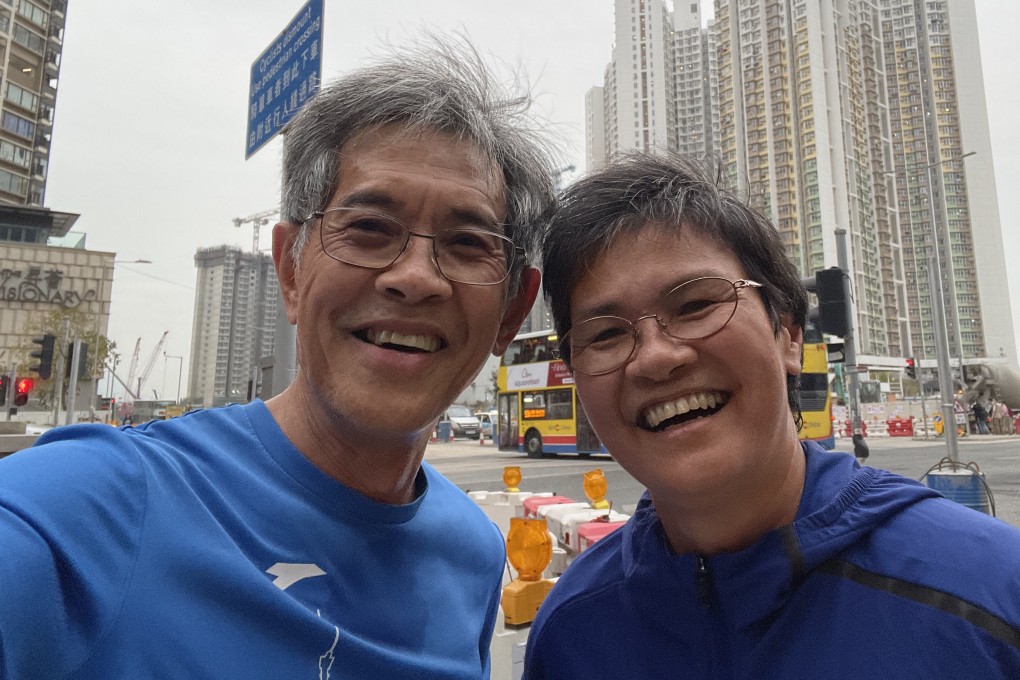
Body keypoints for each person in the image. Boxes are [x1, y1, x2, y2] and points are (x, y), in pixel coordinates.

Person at [0, 39, 556, 679]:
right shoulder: (96, 505)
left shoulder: (476, 554)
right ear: (290, 271)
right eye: (369, 229)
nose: (415, 277)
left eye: (467, 243)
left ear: (511, 312)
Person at [524, 152, 1020, 678]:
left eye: (695, 306)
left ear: (788, 336)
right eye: (605, 334)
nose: (655, 358)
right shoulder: (569, 632)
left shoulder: (990, 599)